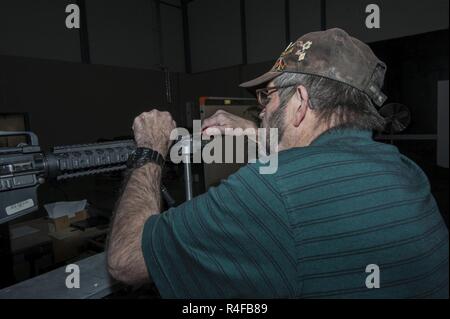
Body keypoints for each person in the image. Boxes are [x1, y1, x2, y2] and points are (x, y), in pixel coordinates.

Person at [107, 28, 449, 298]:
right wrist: (262, 135)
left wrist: (150, 149)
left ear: (299, 102)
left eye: (266, 97)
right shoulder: (406, 172)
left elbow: (126, 261)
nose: (262, 111)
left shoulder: (270, 193)